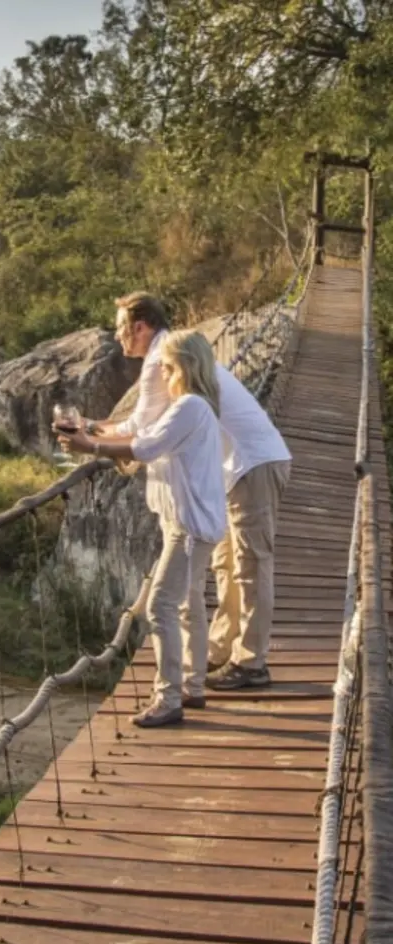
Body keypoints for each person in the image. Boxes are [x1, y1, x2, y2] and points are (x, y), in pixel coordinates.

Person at [102, 292, 292, 690]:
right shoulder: (172, 350)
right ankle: (222, 650)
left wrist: (91, 436)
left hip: (252, 462)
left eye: (121, 329)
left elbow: (143, 428)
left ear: (140, 326)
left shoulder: (163, 357)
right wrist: (93, 431)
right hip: (234, 468)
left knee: (251, 565)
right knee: (226, 564)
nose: (119, 338)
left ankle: (252, 662)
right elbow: (148, 426)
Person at [59, 331, 228, 727]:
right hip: (192, 525)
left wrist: (89, 447)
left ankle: (168, 700)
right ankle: (193, 685)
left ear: (184, 367)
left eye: (167, 367)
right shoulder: (194, 407)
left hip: (187, 529)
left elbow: (145, 448)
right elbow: (145, 436)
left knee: (160, 606)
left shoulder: (189, 407)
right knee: (187, 604)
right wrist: (92, 434)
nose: (163, 374)